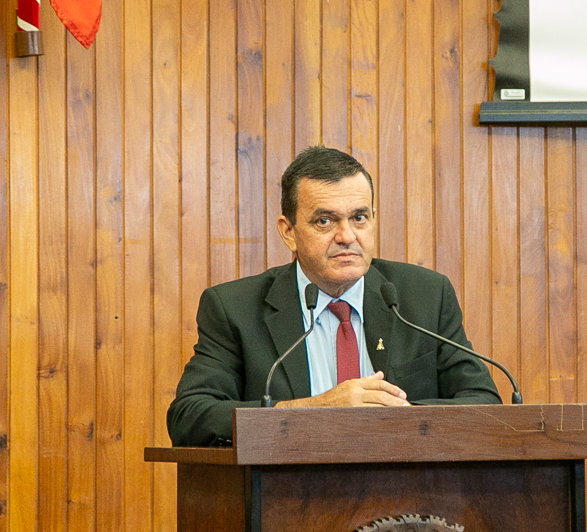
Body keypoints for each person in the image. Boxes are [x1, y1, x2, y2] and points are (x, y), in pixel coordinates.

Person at [167, 146, 501, 446]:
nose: (347, 236)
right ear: (288, 231)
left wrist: (392, 415)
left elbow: (484, 402)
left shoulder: (424, 295)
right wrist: (315, 411)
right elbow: (190, 416)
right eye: (325, 221)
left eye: (359, 218)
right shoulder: (235, 308)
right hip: (289, 489)